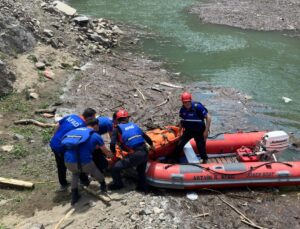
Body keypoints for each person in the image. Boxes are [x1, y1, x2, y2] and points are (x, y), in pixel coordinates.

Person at [62, 118, 113, 205]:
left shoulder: (76, 131)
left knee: (75, 174)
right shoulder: (96, 135)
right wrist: (111, 156)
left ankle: (74, 197)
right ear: (96, 126)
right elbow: (105, 151)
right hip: (85, 162)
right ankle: (103, 186)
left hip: (68, 161)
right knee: (95, 170)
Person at [49, 108, 96, 191]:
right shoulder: (82, 125)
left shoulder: (72, 116)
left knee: (60, 165)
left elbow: (57, 125)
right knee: (78, 160)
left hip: (54, 142)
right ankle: (84, 180)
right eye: (93, 118)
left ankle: (63, 184)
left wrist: (56, 137)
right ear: (89, 118)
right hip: (62, 147)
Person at [109, 109, 154, 192]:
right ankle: (143, 189)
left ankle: (118, 185)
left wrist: (114, 153)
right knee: (141, 171)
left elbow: (112, 143)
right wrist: (152, 146)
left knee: (115, 168)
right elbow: (148, 138)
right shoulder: (134, 125)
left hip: (135, 154)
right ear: (126, 118)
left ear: (118, 119)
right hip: (145, 152)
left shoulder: (117, 129)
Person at [173, 92, 211, 164]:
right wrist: (179, 131)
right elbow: (182, 121)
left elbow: (208, 117)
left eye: (187, 102)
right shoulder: (182, 110)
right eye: (184, 102)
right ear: (182, 102)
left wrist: (206, 131)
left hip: (199, 130)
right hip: (188, 130)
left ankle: (204, 159)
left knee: (201, 146)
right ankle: (175, 159)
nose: (186, 104)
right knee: (179, 143)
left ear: (190, 101)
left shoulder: (198, 107)